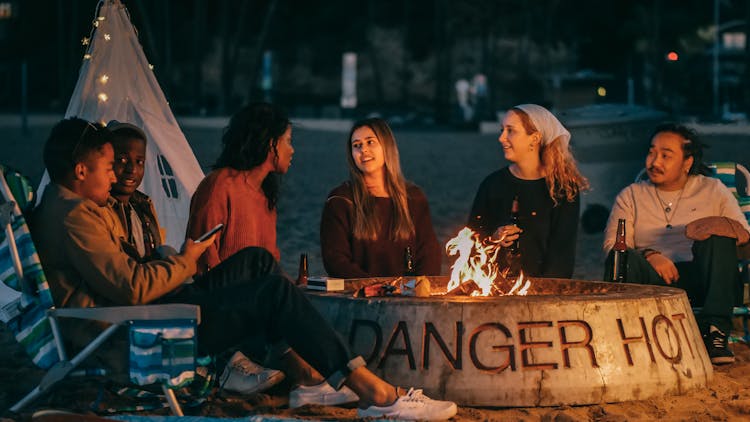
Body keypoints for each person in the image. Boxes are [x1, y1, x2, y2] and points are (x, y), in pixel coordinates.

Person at [31, 117, 457, 420]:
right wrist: (186, 259)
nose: (115, 175)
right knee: (273, 293)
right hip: (133, 329)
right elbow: (133, 289)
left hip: (148, 308)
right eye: (108, 167)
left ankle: (311, 377)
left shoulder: (71, 204)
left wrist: (169, 259)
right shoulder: (75, 216)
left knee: (257, 263)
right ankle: (375, 394)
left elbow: (126, 274)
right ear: (81, 169)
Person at [603, 123, 750, 365]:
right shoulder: (632, 195)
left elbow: (744, 237)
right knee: (621, 255)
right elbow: (612, 246)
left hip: (708, 280)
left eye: (665, 155)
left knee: (721, 234)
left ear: (687, 162)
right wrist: (650, 254)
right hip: (654, 281)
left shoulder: (713, 190)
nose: (654, 162)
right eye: (651, 152)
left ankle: (715, 332)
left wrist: (716, 228)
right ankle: (625, 332)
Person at [467, 104, 589, 279]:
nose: (501, 138)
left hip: (541, 292)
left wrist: (544, 293)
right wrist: (494, 238)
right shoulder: (493, 184)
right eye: (502, 130)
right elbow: (471, 238)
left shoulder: (562, 189)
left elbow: (562, 254)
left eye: (511, 131)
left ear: (535, 138)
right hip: (492, 287)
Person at [320, 118, 441, 278]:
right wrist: (376, 288)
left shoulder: (413, 197)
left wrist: (419, 288)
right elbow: (335, 260)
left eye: (370, 142)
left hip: (409, 297)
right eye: (357, 145)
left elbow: (429, 253)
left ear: (387, 146)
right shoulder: (340, 200)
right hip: (360, 296)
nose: (363, 150)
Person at [187, 102, 293, 273]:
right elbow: (203, 257)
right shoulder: (220, 186)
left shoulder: (265, 196)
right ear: (270, 144)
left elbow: (272, 264)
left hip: (256, 292)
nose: (292, 150)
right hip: (222, 292)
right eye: (288, 141)